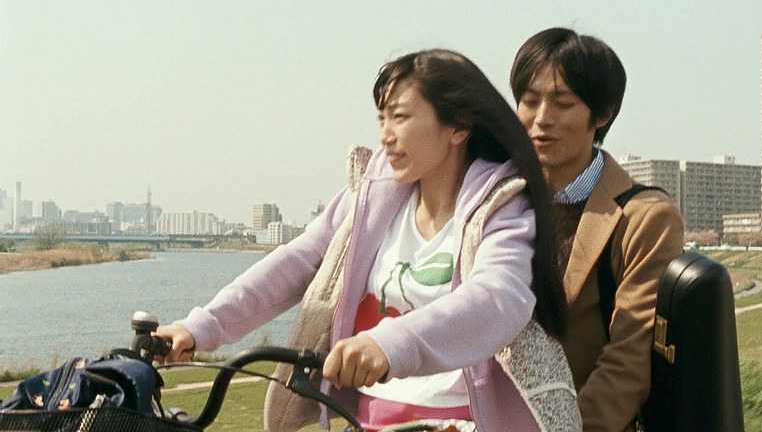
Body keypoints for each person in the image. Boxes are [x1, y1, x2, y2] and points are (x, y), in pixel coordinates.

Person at [156, 49, 573, 432]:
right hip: (368, 420)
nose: (386, 135)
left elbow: (498, 297)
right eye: (381, 119)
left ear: (458, 127)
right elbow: (298, 262)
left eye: (400, 117)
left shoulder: (501, 204)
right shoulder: (372, 194)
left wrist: (389, 342)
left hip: (462, 422)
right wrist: (201, 327)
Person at [509, 28, 685, 432]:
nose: (541, 119)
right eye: (530, 101)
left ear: (602, 114)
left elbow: (628, 361)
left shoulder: (645, 219)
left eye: (563, 103)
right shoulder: (499, 201)